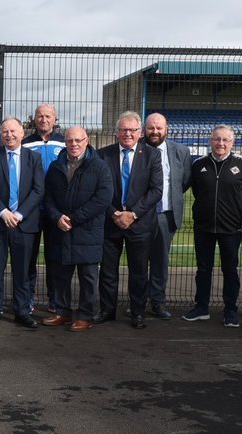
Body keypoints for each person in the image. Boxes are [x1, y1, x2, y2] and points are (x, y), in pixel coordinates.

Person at [41, 127, 113, 332]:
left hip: (87, 231)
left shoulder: (99, 166)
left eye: (78, 140)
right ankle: (63, 312)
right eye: (70, 140)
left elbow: (103, 198)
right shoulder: (56, 167)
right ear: (65, 142)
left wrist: (74, 218)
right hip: (61, 229)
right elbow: (48, 198)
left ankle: (85, 315)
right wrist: (56, 217)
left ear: (86, 140)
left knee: (88, 278)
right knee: (61, 275)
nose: (74, 144)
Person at [95, 111, 162, 329]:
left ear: (139, 132)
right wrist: (114, 213)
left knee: (139, 272)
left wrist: (132, 214)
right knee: (107, 271)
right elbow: (97, 189)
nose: (128, 134)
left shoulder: (151, 155)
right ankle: (107, 310)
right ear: (116, 133)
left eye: (132, 130)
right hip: (110, 222)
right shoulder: (103, 155)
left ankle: (138, 313)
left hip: (139, 224)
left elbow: (156, 190)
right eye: (123, 130)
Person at [183, 125, 242, 327]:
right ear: (210, 141)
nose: (221, 143)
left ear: (232, 142)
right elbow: (197, 191)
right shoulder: (198, 164)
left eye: (225, 140)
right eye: (217, 139)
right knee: (203, 269)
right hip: (203, 227)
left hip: (231, 228)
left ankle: (230, 310)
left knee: (230, 270)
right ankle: (201, 307)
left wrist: (236, 214)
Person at [0, 118, 44, 328]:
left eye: (13, 131)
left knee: (23, 271)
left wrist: (20, 214)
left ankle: (22, 311)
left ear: (22, 133)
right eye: (5, 132)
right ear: (0, 135)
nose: (9, 135)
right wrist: (3, 212)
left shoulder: (34, 158)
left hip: (24, 224)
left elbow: (38, 190)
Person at [141, 113, 191, 319]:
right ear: (145, 129)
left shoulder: (180, 151)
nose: (155, 132)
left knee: (160, 261)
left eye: (158, 128)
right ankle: (138, 301)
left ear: (166, 129)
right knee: (139, 261)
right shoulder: (137, 149)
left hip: (165, 215)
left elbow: (184, 181)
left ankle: (157, 302)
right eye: (151, 128)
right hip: (141, 215)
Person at [23, 103, 66, 315]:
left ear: (54, 119)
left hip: (55, 210)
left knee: (54, 257)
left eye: (48, 116)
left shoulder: (64, 142)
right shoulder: (25, 144)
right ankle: (28, 298)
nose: (43, 120)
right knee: (29, 256)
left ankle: (55, 300)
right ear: (34, 119)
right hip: (32, 209)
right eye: (40, 116)